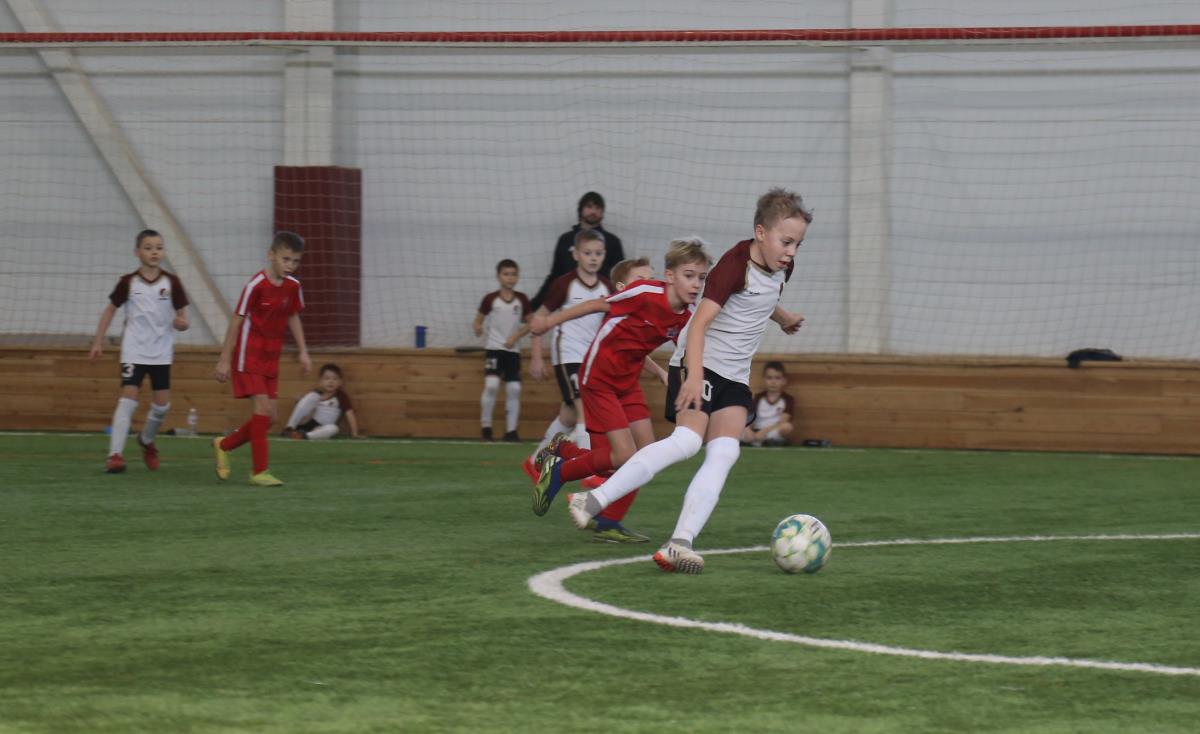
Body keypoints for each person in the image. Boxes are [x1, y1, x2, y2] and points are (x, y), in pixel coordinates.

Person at [565, 188, 811, 574]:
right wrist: (693, 376)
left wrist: (783, 318)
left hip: (735, 375)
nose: (791, 252)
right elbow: (698, 326)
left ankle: (679, 543)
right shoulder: (733, 266)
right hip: (699, 363)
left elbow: (759, 300)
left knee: (725, 453)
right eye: (786, 242)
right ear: (761, 232)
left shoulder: (782, 266)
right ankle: (593, 500)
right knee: (687, 442)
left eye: (797, 244)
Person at [529, 242, 711, 543]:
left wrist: (680, 376)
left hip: (628, 384)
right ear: (669, 276)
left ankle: (606, 517)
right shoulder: (645, 293)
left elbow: (684, 350)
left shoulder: (686, 316)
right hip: (599, 378)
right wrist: (548, 321)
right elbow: (595, 305)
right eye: (689, 276)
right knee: (623, 456)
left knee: (644, 456)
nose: (696, 284)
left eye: (701, 278)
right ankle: (561, 469)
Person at [212, 231, 312, 486]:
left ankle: (224, 445)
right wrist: (224, 358)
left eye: (295, 261)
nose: (290, 265)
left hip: (271, 358)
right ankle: (259, 471)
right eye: (286, 259)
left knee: (271, 418)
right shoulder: (255, 285)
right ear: (271, 255)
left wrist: (303, 351)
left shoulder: (293, 286)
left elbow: (293, 315)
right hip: (249, 355)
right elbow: (236, 320)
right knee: (263, 410)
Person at [88, 229, 190, 473]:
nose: (154, 252)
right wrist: (98, 341)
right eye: (148, 247)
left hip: (161, 353)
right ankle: (115, 455)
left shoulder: (172, 282)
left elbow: (183, 318)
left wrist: (182, 323)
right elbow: (110, 310)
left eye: (158, 248)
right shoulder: (128, 282)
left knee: (162, 407)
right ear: (137, 252)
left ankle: (146, 440)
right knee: (128, 400)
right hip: (134, 351)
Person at [522, 229, 612, 480]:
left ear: (604, 255)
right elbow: (539, 319)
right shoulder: (564, 284)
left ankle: (535, 461)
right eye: (587, 253)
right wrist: (537, 356)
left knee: (569, 415)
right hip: (568, 354)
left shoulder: (606, 286)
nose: (593, 258)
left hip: (591, 358)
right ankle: (589, 471)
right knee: (586, 411)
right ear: (575, 255)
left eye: (598, 253)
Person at [529, 191, 625, 311]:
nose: (593, 211)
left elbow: (621, 277)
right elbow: (555, 275)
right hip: (569, 302)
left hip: (601, 301)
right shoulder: (566, 240)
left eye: (598, 208)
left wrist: (625, 305)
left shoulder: (612, 241)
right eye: (589, 206)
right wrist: (533, 306)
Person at [473, 259, 532, 441]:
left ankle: (511, 431)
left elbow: (531, 323)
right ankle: (486, 429)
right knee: (491, 385)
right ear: (498, 276)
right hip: (494, 349)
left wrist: (516, 336)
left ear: (517, 277)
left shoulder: (522, 299)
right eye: (506, 274)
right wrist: (477, 327)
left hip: (513, 351)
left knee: (514, 388)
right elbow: (478, 320)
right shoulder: (490, 299)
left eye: (513, 274)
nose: (510, 278)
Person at [281, 363, 362, 440]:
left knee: (334, 428)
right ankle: (289, 428)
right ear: (320, 382)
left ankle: (304, 436)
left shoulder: (341, 396)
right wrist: (299, 401)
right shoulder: (315, 394)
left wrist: (355, 433)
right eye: (327, 378)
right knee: (313, 395)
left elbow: (349, 414)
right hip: (305, 422)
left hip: (319, 429)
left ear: (340, 382)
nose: (331, 382)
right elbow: (302, 407)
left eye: (335, 379)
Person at [742, 361, 796, 447]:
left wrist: (764, 431)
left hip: (772, 431)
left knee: (787, 427)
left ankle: (768, 441)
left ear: (784, 380)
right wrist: (748, 429)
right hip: (756, 431)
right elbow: (751, 417)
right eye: (769, 378)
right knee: (740, 426)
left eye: (777, 378)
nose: (773, 382)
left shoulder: (788, 399)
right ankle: (754, 440)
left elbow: (783, 421)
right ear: (764, 379)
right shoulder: (758, 398)